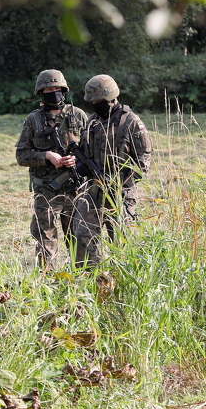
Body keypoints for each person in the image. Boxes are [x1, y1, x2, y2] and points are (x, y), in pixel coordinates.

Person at [73, 74, 152, 267]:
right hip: (93, 189)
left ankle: (121, 281)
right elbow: (83, 152)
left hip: (120, 193)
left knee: (121, 240)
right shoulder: (92, 122)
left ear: (111, 98)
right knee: (83, 234)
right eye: (92, 102)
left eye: (99, 101)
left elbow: (143, 161)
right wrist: (80, 165)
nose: (95, 105)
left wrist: (121, 183)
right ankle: (90, 279)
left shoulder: (130, 122)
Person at [15, 70, 90, 267]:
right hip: (45, 190)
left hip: (75, 188)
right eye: (49, 89)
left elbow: (92, 152)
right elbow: (21, 156)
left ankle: (79, 282)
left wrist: (77, 161)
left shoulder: (78, 116)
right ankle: (44, 281)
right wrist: (46, 156)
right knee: (44, 241)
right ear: (41, 92)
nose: (53, 92)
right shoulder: (33, 120)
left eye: (57, 88)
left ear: (64, 90)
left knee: (78, 239)